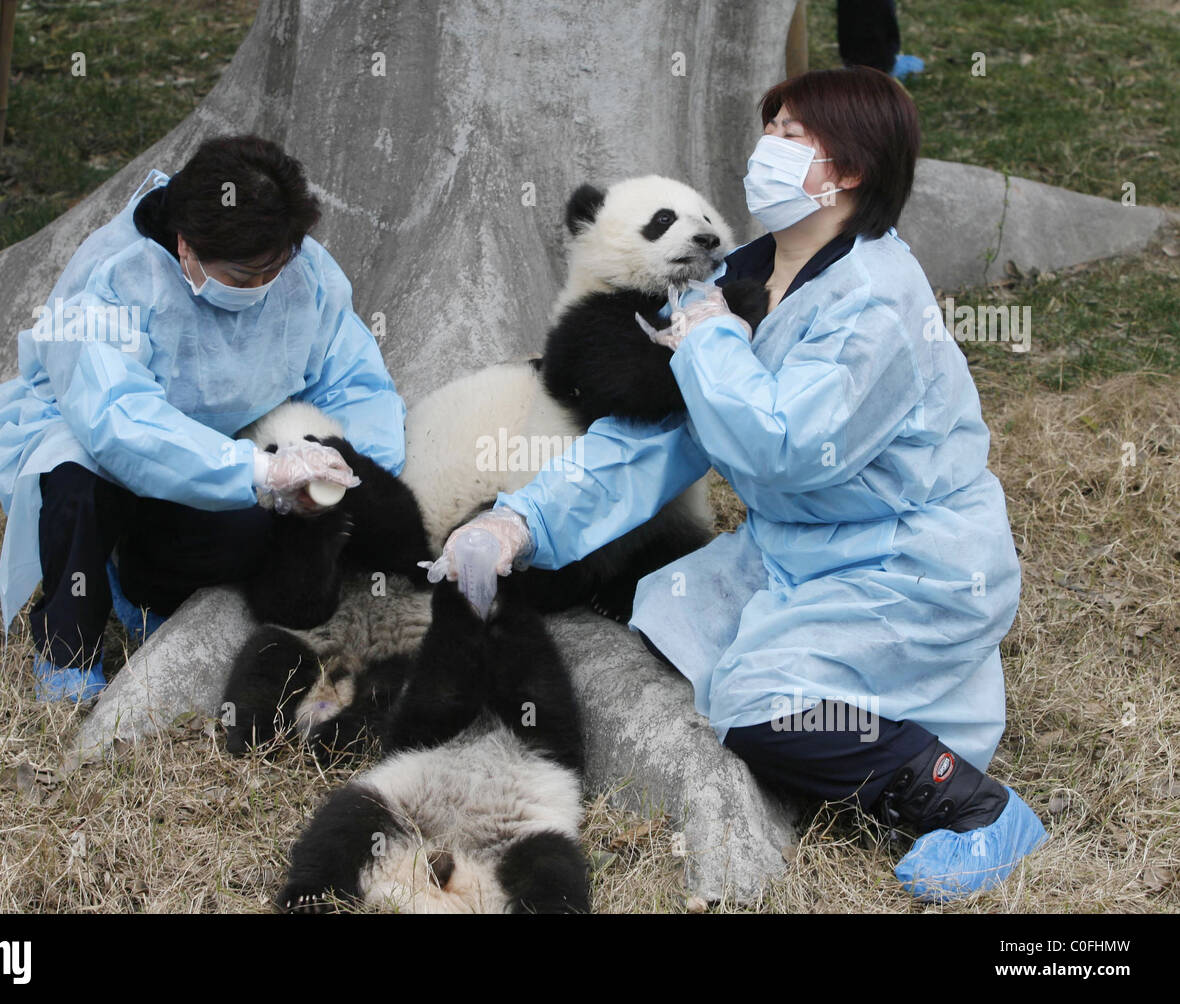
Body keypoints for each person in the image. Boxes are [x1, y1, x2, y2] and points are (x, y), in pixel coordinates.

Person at [429, 67, 1046, 903]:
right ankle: (902, 706)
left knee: (760, 711)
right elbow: (652, 441)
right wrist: (517, 522)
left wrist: (711, 345)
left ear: (849, 169)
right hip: (801, 550)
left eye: (793, 135)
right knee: (664, 615)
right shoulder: (744, 282)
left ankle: (974, 808)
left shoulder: (875, 302)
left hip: (907, 563)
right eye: (772, 129)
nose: (768, 149)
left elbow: (788, 448)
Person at [0, 135, 405, 703]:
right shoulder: (116, 276)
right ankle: (66, 650)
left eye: (268, 273)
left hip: (225, 456)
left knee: (261, 532)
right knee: (76, 482)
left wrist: (355, 470)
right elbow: (118, 418)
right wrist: (257, 473)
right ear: (186, 247)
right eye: (241, 277)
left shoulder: (306, 273)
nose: (258, 290)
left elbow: (354, 382)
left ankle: (138, 583)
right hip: (105, 443)